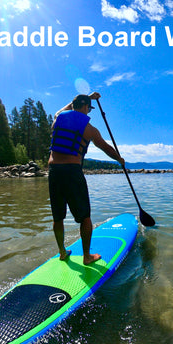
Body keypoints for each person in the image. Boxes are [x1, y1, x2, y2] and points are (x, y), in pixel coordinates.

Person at [48, 92, 125, 265]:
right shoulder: (89, 129)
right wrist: (119, 159)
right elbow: (106, 148)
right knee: (85, 217)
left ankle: (62, 252)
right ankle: (86, 256)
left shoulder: (57, 118)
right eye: (89, 108)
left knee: (58, 216)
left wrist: (86, 98)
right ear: (84, 107)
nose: (89, 112)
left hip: (53, 171)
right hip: (72, 172)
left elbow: (64, 109)